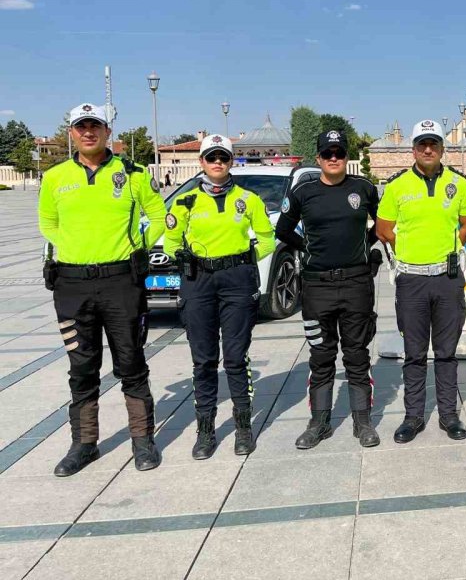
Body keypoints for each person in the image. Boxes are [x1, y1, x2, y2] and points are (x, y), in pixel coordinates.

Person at [38, 103, 166, 476]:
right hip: (72, 283)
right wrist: (72, 247)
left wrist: (137, 245)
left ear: (108, 132)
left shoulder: (133, 173)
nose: (89, 133)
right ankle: (84, 443)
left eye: (96, 126)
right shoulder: (55, 176)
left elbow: (157, 216)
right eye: (81, 127)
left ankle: (143, 440)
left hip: (120, 281)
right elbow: (47, 220)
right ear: (72, 133)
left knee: (130, 362)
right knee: (82, 365)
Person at [163, 135, 275, 459]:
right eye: (211, 157)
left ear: (231, 161)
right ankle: (206, 431)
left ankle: (243, 428)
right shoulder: (184, 203)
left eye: (223, 157)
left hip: (236, 281)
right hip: (198, 281)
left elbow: (267, 239)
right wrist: (182, 256)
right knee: (204, 360)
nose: (217, 163)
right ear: (201, 162)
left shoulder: (248, 199)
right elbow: (170, 242)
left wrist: (246, 259)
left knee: (236, 357)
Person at [275, 130, 382, 449]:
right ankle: (319, 422)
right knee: (321, 356)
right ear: (319, 158)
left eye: (339, 152)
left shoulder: (363, 188)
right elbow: (282, 228)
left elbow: (384, 224)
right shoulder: (303, 192)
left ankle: (362, 422)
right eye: (327, 153)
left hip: (356, 284)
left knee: (357, 354)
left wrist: (367, 243)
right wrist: (305, 246)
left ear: (346, 156)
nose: (333, 158)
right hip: (317, 286)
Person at [376, 120, 466, 443]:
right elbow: (383, 229)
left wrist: (447, 250)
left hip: (446, 279)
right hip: (412, 281)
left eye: (434, 144)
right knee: (414, 352)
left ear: (443, 148)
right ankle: (413, 417)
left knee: (446, 352)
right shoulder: (397, 186)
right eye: (422, 144)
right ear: (413, 149)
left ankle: (448, 415)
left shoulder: (458, 184)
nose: (428, 150)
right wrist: (410, 251)